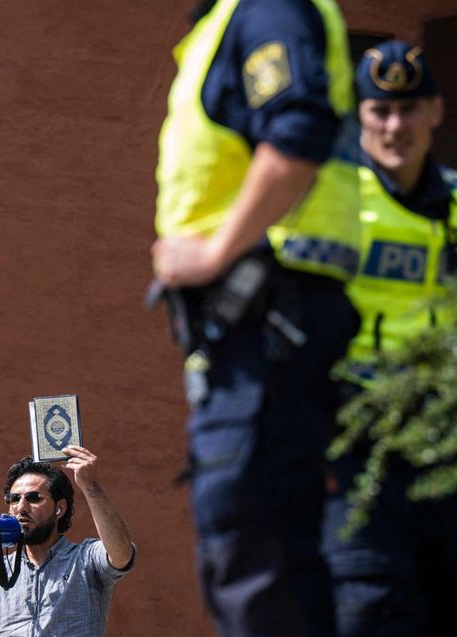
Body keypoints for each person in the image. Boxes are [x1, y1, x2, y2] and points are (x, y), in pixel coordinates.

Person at [149, 0, 363, 635]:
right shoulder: (220, 27)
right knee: (248, 548)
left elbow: (296, 137)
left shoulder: (268, 9)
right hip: (249, 334)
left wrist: (216, 251)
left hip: (271, 326)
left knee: (259, 552)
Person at [322, 40, 457, 637]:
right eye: (380, 110)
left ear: (435, 111)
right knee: (370, 609)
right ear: (361, 116)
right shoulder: (333, 203)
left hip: (442, 443)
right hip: (357, 439)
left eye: (409, 108)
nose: (395, 125)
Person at [0, 446, 136, 637]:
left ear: (60, 508)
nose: (21, 508)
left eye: (33, 498)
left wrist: (91, 487)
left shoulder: (84, 559)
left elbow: (122, 554)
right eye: (14, 499)